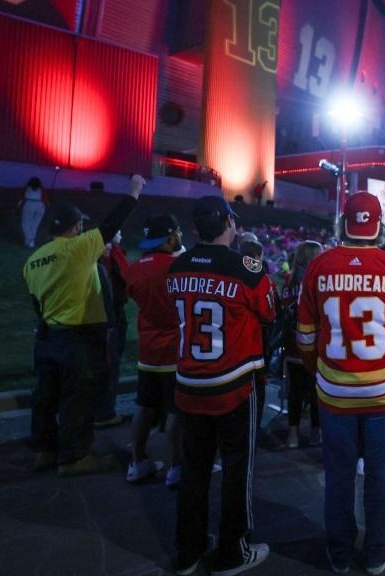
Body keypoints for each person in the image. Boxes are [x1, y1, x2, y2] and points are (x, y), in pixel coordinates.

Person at [296, 192, 385, 575]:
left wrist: (320, 372)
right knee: (381, 473)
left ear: (343, 222)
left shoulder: (318, 267)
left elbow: (304, 336)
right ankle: (378, 548)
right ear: (378, 225)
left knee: (339, 473)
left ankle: (340, 551)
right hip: (382, 390)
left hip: (334, 390)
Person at [168, 196, 275, 576]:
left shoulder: (177, 266)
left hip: (188, 384)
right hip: (233, 385)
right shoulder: (247, 267)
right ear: (229, 224)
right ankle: (234, 550)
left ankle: (188, 549)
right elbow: (268, 311)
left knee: (193, 470)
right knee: (236, 470)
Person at [23, 174, 144, 475]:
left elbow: (36, 303)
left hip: (48, 336)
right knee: (78, 397)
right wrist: (134, 191)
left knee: (45, 397)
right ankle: (75, 457)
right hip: (77, 336)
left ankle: (44, 450)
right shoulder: (78, 248)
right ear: (76, 227)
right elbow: (112, 223)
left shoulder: (33, 260)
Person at [125, 214, 184, 487]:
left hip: (147, 349)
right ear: (170, 237)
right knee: (176, 411)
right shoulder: (177, 266)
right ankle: (176, 468)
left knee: (144, 407)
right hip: (175, 348)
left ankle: (137, 462)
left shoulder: (135, 268)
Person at [279, 240, 323, 448]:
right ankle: (316, 432)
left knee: (295, 391)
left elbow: (284, 306)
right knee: (316, 391)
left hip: (292, 342)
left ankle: (293, 435)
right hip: (314, 342)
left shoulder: (288, 280)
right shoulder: (319, 280)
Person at [94, 230, 130, 428]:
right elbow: (128, 275)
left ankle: (101, 410)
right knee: (109, 364)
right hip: (108, 319)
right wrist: (115, 249)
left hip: (112, 316)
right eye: (117, 234)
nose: (121, 236)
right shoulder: (101, 262)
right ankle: (103, 413)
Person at [18, 176, 48, 248]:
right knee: (34, 225)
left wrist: (18, 206)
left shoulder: (27, 189)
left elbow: (21, 198)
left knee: (25, 224)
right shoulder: (41, 189)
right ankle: (30, 242)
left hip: (29, 204)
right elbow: (46, 198)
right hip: (40, 206)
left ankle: (29, 240)